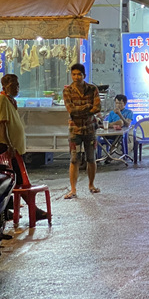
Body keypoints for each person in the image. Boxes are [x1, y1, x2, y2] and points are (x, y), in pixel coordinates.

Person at [0, 74, 49, 221]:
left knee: (18, 182)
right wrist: (9, 145)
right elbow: (1, 124)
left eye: (18, 85)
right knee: (19, 182)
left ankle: (26, 210)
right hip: (10, 151)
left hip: (17, 149)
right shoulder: (2, 100)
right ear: (6, 86)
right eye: (14, 85)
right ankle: (33, 211)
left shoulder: (10, 101)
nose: (17, 87)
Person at [63, 63, 101, 199]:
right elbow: (71, 110)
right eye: (74, 74)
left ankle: (91, 185)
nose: (76, 77)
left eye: (79, 74)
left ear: (84, 75)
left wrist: (79, 111)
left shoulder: (92, 89)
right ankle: (73, 189)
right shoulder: (67, 90)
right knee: (74, 160)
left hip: (90, 129)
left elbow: (97, 108)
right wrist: (87, 106)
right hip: (75, 130)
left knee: (91, 158)